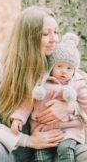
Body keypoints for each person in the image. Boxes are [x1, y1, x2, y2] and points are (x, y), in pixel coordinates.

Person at [0, 6, 87, 162]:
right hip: (9, 149)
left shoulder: (61, 65)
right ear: (28, 37)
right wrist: (28, 140)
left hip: (57, 149)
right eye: (46, 34)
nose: (55, 39)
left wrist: (72, 108)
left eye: (56, 32)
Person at [10, 32, 87, 162]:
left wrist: (73, 108)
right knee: (41, 157)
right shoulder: (41, 84)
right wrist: (18, 119)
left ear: (74, 70)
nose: (64, 71)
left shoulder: (78, 84)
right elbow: (26, 103)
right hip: (42, 132)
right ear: (51, 66)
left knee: (65, 150)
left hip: (69, 132)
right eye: (59, 66)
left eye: (69, 68)